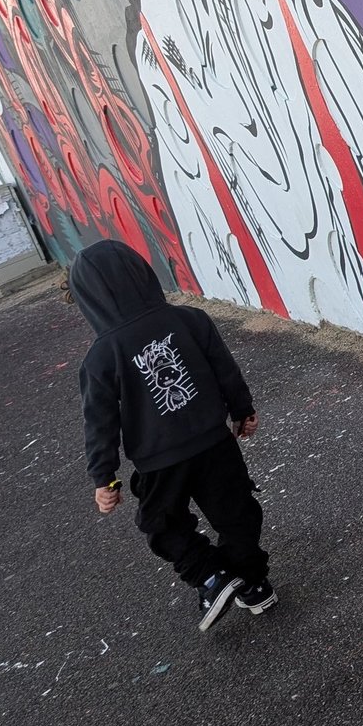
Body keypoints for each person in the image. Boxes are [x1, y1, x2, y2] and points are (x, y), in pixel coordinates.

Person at [72, 239, 275, 631]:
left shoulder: (101, 356)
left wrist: (104, 477)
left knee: (162, 525)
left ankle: (212, 577)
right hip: (214, 443)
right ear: (142, 273)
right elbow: (224, 368)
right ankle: (252, 581)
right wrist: (242, 409)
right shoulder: (189, 318)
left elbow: (99, 422)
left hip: (159, 463)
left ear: (88, 299)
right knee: (237, 515)